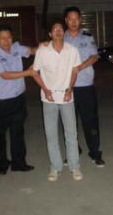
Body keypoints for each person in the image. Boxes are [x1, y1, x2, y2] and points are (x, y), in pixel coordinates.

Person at [32, 21, 83, 182]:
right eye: (55, 29)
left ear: (64, 32)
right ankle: (55, 167)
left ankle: (74, 166)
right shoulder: (42, 51)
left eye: (60, 29)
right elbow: (34, 72)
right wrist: (45, 90)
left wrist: (70, 89)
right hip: (49, 98)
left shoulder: (72, 50)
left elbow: (75, 71)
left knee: (71, 134)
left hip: (67, 97)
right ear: (50, 34)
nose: (58, 31)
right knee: (51, 135)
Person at [0, 25, 36, 175]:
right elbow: (5, 75)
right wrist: (27, 73)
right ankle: (2, 164)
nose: (7, 41)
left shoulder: (16, 48)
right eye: (3, 38)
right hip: (0, 104)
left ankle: (19, 163)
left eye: (9, 37)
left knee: (17, 134)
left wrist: (49, 45)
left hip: (18, 100)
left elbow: (32, 51)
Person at [63, 6, 105, 167]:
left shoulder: (87, 37)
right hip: (67, 87)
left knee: (90, 122)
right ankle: (73, 151)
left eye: (76, 19)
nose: (74, 22)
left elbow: (94, 56)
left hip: (86, 86)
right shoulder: (61, 38)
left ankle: (95, 153)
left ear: (80, 20)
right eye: (70, 19)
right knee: (69, 123)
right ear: (66, 21)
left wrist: (79, 67)